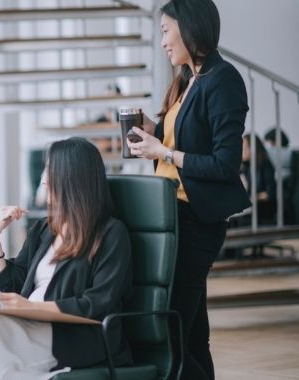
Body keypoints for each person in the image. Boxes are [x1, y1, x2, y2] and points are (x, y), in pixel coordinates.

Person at [126, 0, 250, 378]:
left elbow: (226, 164)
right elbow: (184, 137)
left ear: (190, 27)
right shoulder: (187, 80)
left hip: (195, 222)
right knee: (191, 331)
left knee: (172, 325)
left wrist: (164, 151)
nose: (162, 41)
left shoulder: (224, 79)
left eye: (165, 30)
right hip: (172, 217)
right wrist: (155, 128)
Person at [0, 138, 133, 379]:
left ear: (72, 178)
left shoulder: (111, 234)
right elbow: (13, 283)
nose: (43, 179)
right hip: (28, 324)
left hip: (74, 335)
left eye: (50, 171)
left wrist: (31, 307)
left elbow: (97, 302)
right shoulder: (45, 230)